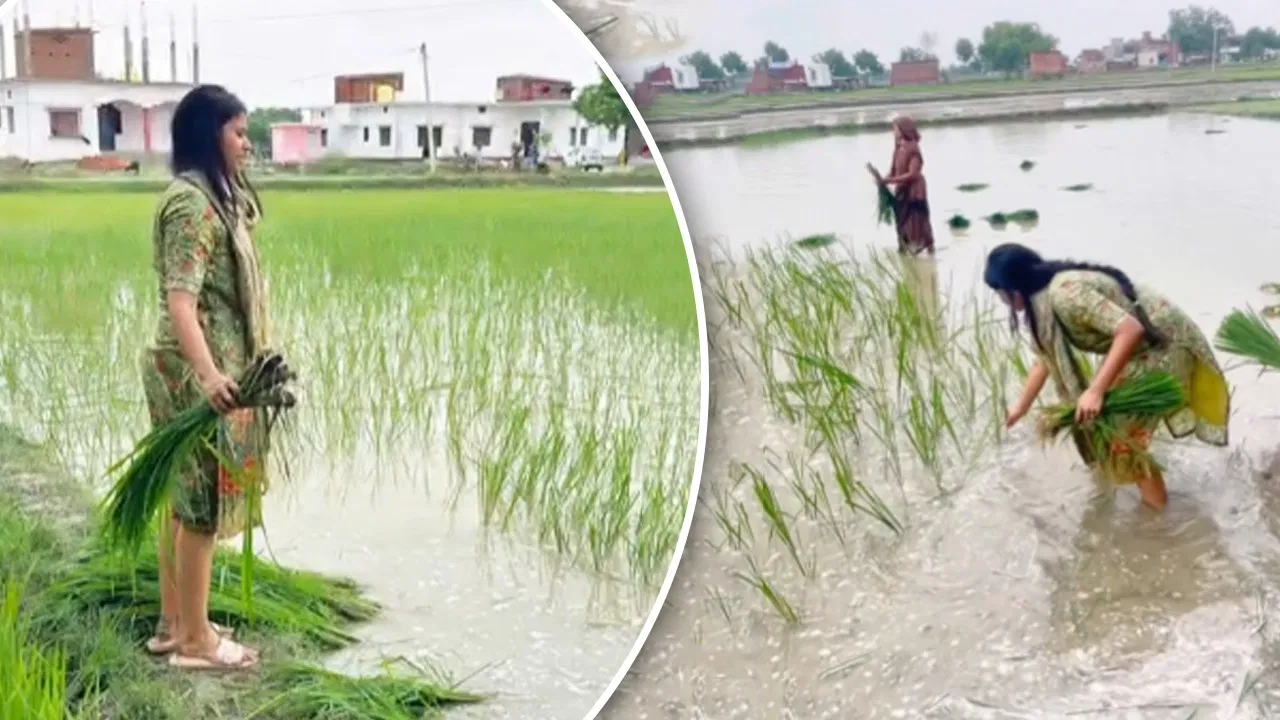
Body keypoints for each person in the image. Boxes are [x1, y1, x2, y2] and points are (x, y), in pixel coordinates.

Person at [140, 84, 271, 670]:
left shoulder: (216, 199)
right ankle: (196, 642)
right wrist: (211, 375)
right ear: (208, 136)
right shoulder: (192, 205)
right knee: (200, 510)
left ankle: (177, 623)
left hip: (199, 367)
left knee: (182, 504)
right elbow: (181, 302)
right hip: (195, 372)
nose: (247, 144)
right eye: (238, 133)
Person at [985, 243, 1229, 511]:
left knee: (1123, 440)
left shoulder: (1066, 294)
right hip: (1142, 347)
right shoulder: (1043, 304)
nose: (1002, 299)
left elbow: (1130, 330)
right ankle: (1153, 507)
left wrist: (1095, 390)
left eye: (1000, 292)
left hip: (1162, 343)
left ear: (1014, 287)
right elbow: (1043, 360)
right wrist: (1020, 408)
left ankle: (1157, 522)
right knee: (1110, 427)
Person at [866, 116, 935, 256]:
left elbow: (913, 174)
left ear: (904, 130)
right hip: (901, 190)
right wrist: (882, 180)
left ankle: (927, 250)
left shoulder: (913, 149)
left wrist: (889, 181)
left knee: (917, 221)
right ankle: (906, 248)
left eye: (895, 129)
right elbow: (892, 171)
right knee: (902, 221)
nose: (893, 132)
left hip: (915, 191)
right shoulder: (898, 149)